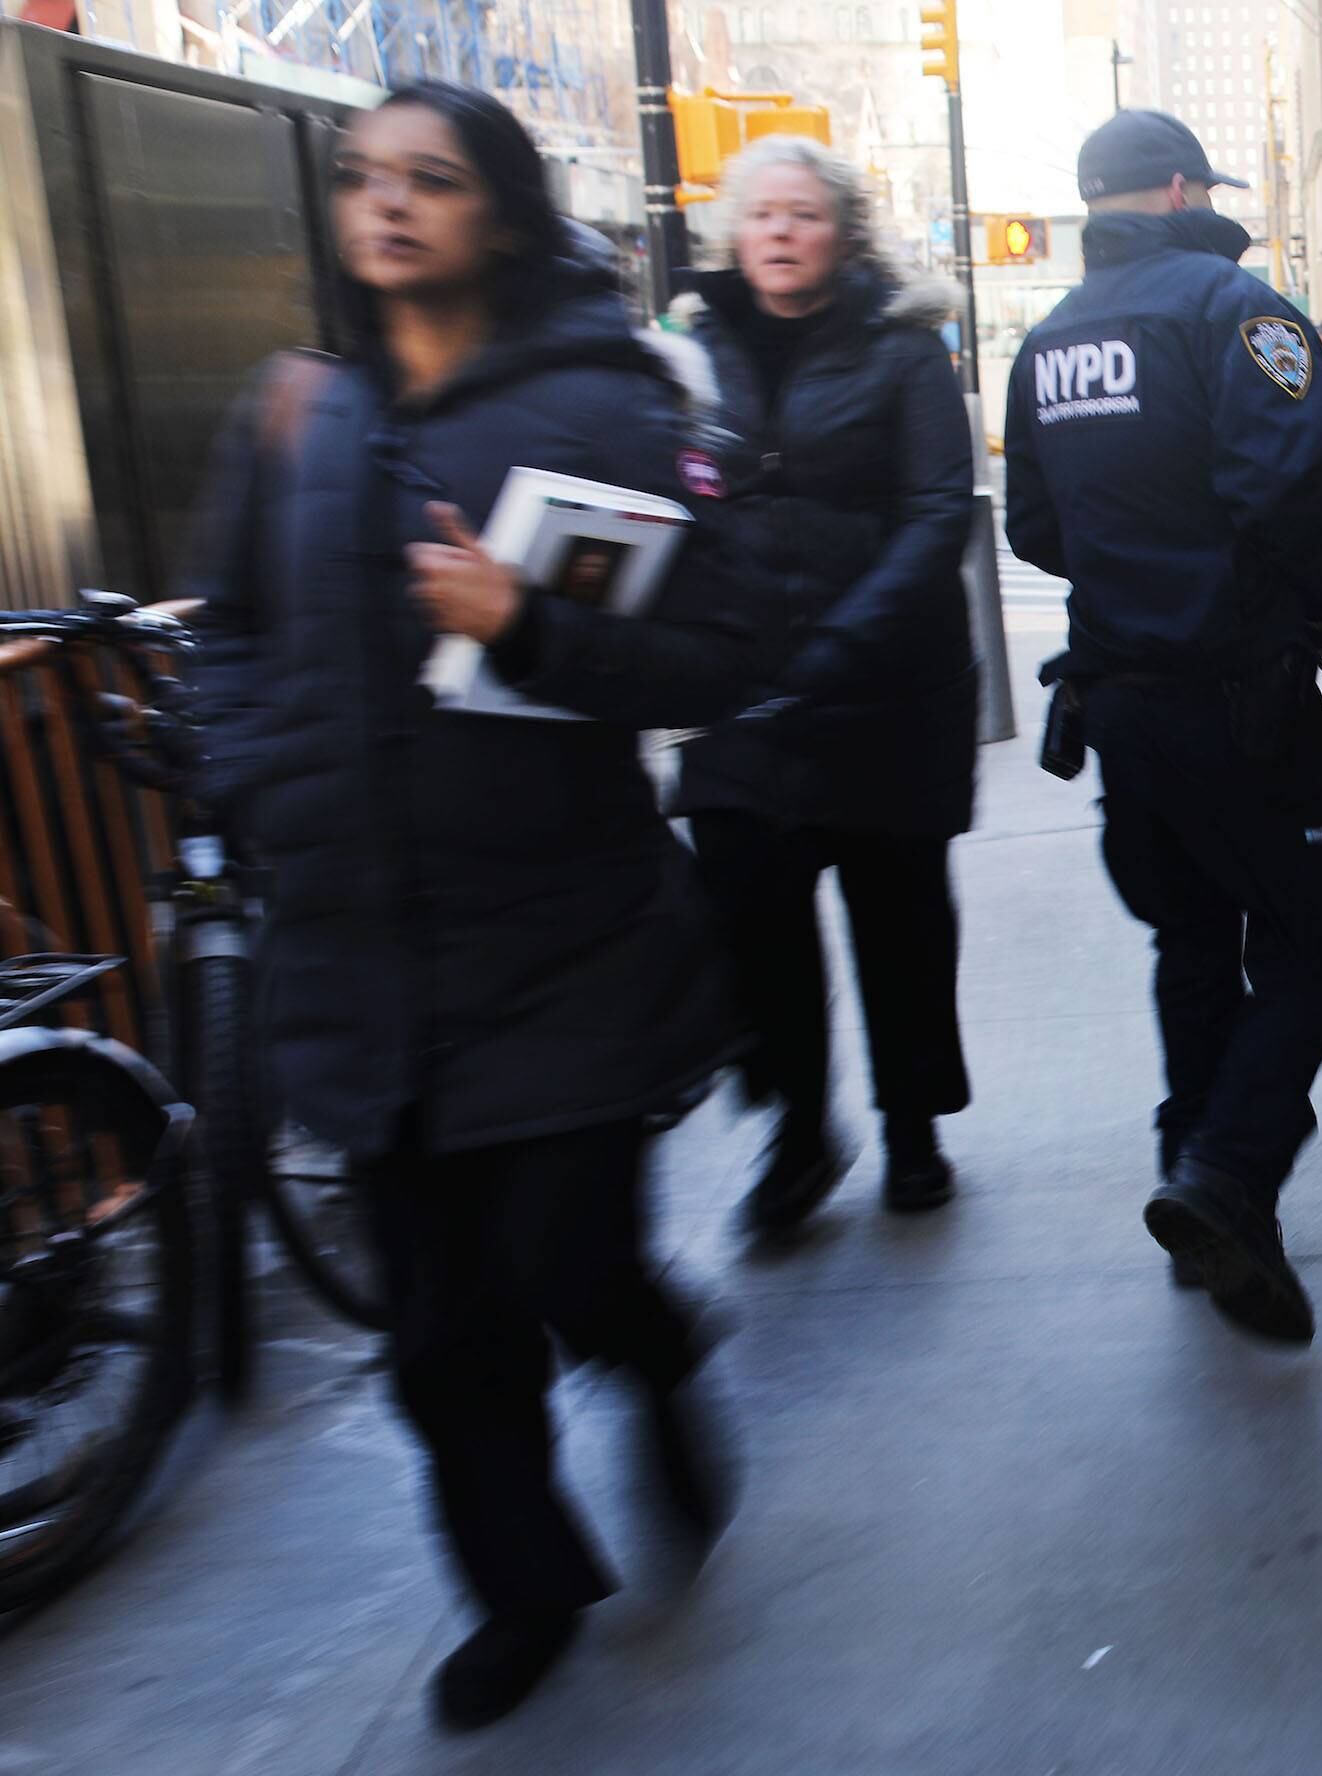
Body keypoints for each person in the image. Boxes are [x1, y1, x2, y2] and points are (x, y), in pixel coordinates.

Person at [182, 82, 752, 1730]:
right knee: (438, 1333)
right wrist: (259, 779)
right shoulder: (295, 409)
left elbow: (718, 655)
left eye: (429, 180)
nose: (388, 204)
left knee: (568, 1260)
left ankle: (653, 1347)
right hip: (356, 950)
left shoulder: (609, 409)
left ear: (498, 211)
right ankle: (525, 1586)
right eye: (365, 178)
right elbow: (226, 633)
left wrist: (525, 624)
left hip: (561, 940)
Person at [1002, 109, 1322, 1346]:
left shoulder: (1048, 343)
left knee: (1192, 934)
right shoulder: (1241, 310)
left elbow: (1032, 528)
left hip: (1120, 701)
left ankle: (1202, 1182)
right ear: (1181, 191)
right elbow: (1287, 489)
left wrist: (1135, 569)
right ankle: (1227, 1169)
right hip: (1239, 694)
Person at [671, 137, 978, 1231]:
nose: (781, 233)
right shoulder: (690, 352)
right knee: (754, 929)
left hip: (886, 695)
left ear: (843, 233)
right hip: (740, 699)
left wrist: (845, 642)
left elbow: (939, 513)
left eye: (803, 214)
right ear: (735, 231)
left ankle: (912, 1126)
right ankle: (798, 1131)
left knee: (899, 925)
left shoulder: (904, 350)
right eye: (763, 214)